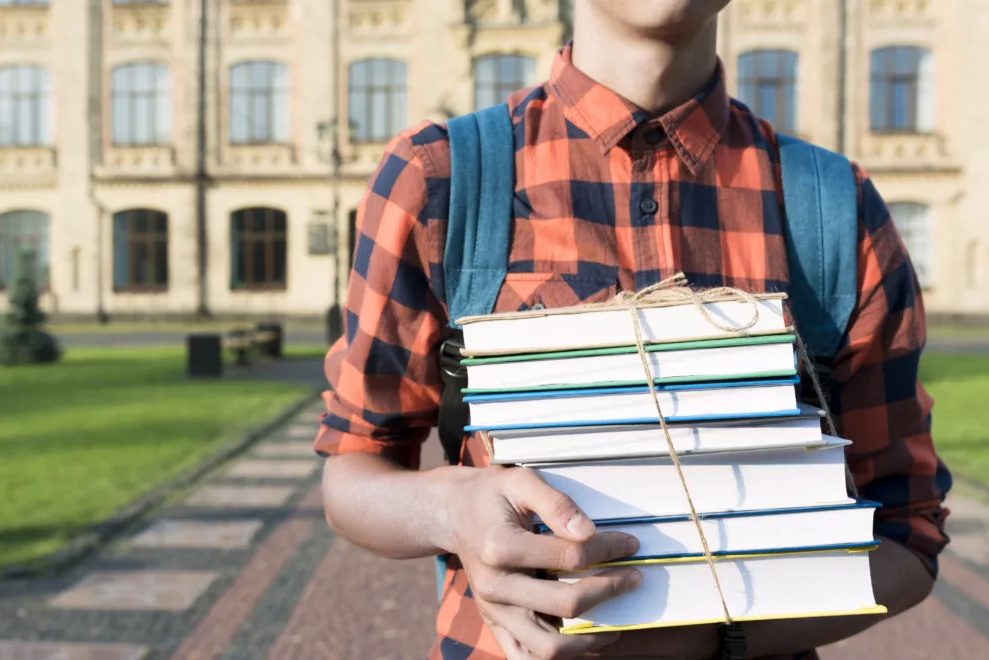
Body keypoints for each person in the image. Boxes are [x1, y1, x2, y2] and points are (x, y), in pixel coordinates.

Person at [314, 1, 951, 658]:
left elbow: (908, 534)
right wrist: (451, 509)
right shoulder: (439, 182)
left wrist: (711, 635)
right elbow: (353, 474)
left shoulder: (834, 209)